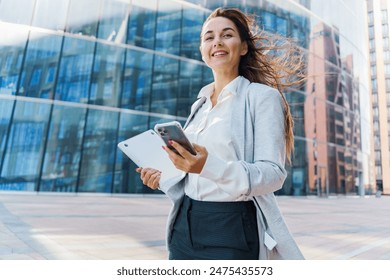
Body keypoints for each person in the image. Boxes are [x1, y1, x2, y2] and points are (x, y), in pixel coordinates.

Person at [136, 7, 305, 260]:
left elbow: (273, 174)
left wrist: (207, 165)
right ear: (203, 51)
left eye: (227, 35)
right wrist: (163, 177)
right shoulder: (200, 104)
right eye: (209, 37)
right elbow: (192, 177)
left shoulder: (262, 98)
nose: (217, 42)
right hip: (185, 222)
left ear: (244, 47)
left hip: (233, 226)